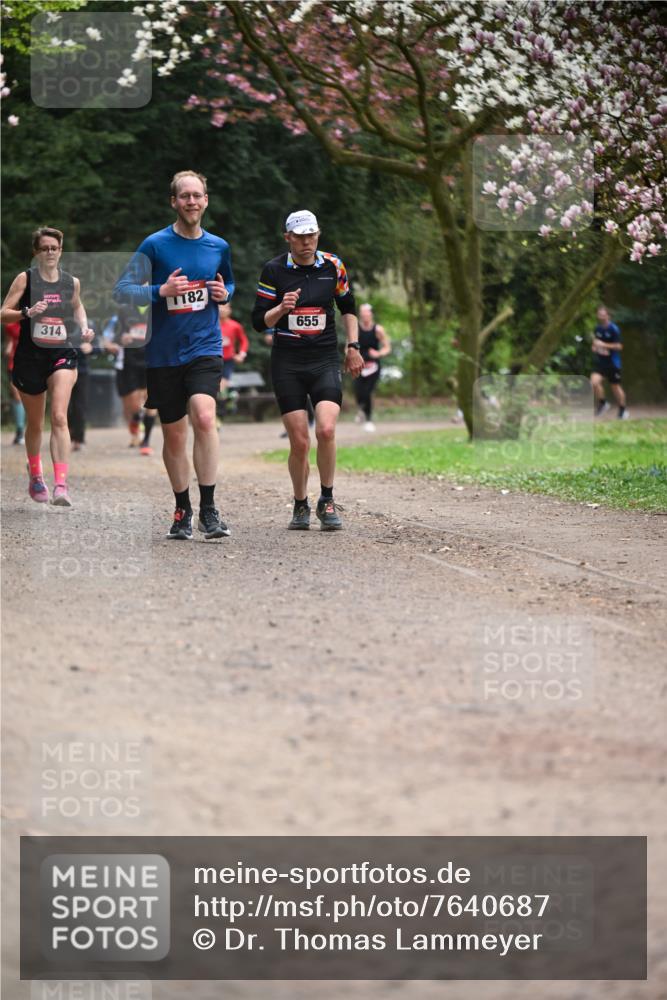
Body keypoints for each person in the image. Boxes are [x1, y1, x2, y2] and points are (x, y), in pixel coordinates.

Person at [114, 170, 235, 540]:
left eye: (197, 195)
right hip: (164, 353)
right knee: (175, 435)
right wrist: (160, 290)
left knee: (203, 414)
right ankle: (182, 509)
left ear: (206, 200)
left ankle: (209, 509)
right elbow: (122, 290)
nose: (192, 202)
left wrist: (224, 293)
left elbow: (227, 281)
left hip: (205, 346)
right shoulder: (155, 245)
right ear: (174, 201)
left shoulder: (218, 246)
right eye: (185, 196)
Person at [252, 209, 363, 531]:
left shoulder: (333, 265)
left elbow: (348, 306)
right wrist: (281, 308)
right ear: (288, 237)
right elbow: (259, 322)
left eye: (311, 235)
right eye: (300, 236)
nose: (306, 242)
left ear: (318, 235)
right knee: (299, 442)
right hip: (288, 362)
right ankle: (300, 503)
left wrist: (353, 346)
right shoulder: (273, 270)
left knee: (326, 430)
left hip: (324, 359)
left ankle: (326, 499)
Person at [0, 226, 94, 506]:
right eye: (44, 248)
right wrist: (26, 313)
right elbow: (3, 313)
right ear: (36, 252)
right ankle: (36, 474)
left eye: (54, 248)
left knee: (59, 416)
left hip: (61, 353)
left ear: (60, 250)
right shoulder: (25, 279)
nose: (50, 252)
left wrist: (85, 327)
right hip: (30, 358)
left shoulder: (70, 282)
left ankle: (61, 485)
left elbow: (77, 306)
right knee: (35, 423)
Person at [103, 304, 157, 454]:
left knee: (150, 400)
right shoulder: (124, 310)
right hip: (129, 362)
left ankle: (145, 441)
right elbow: (113, 337)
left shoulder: (157, 306)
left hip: (151, 361)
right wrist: (120, 339)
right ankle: (135, 420)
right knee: (133, 405)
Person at [353, 302, 391, 432]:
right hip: (359, 365)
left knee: (368, 392)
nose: (364, 315)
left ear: (371, 314)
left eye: (366, 313)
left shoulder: (378, 329)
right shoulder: (356, 329)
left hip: (373, 366)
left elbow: (387, 347)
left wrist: (378, 353)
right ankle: (361, 410)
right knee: (359, 393)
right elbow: (349, 346)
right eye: (362, 313)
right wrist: (351, 355)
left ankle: (368, 420)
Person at [591, 305, 628, 419]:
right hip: (601, 362)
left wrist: (604, 345)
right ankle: (603, 404)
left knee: (615, 387)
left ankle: (622, 410)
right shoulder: (597, 329)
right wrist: (595, 347)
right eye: (599, 314)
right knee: (594, 382)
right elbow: (595, 344)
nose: (601, 316)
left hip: (613, 363)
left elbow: (619, 346)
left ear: (608, 315)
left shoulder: (614, 329)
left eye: (603, 314)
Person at [3, 321, 25, 444]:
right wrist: (8, 348)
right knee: (17, 396)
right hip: (14, 364)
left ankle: (32, 427)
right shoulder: (10, 325)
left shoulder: (33, 320)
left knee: (30, 397)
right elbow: (9, 342)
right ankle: (20, 430)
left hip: (31, 364)